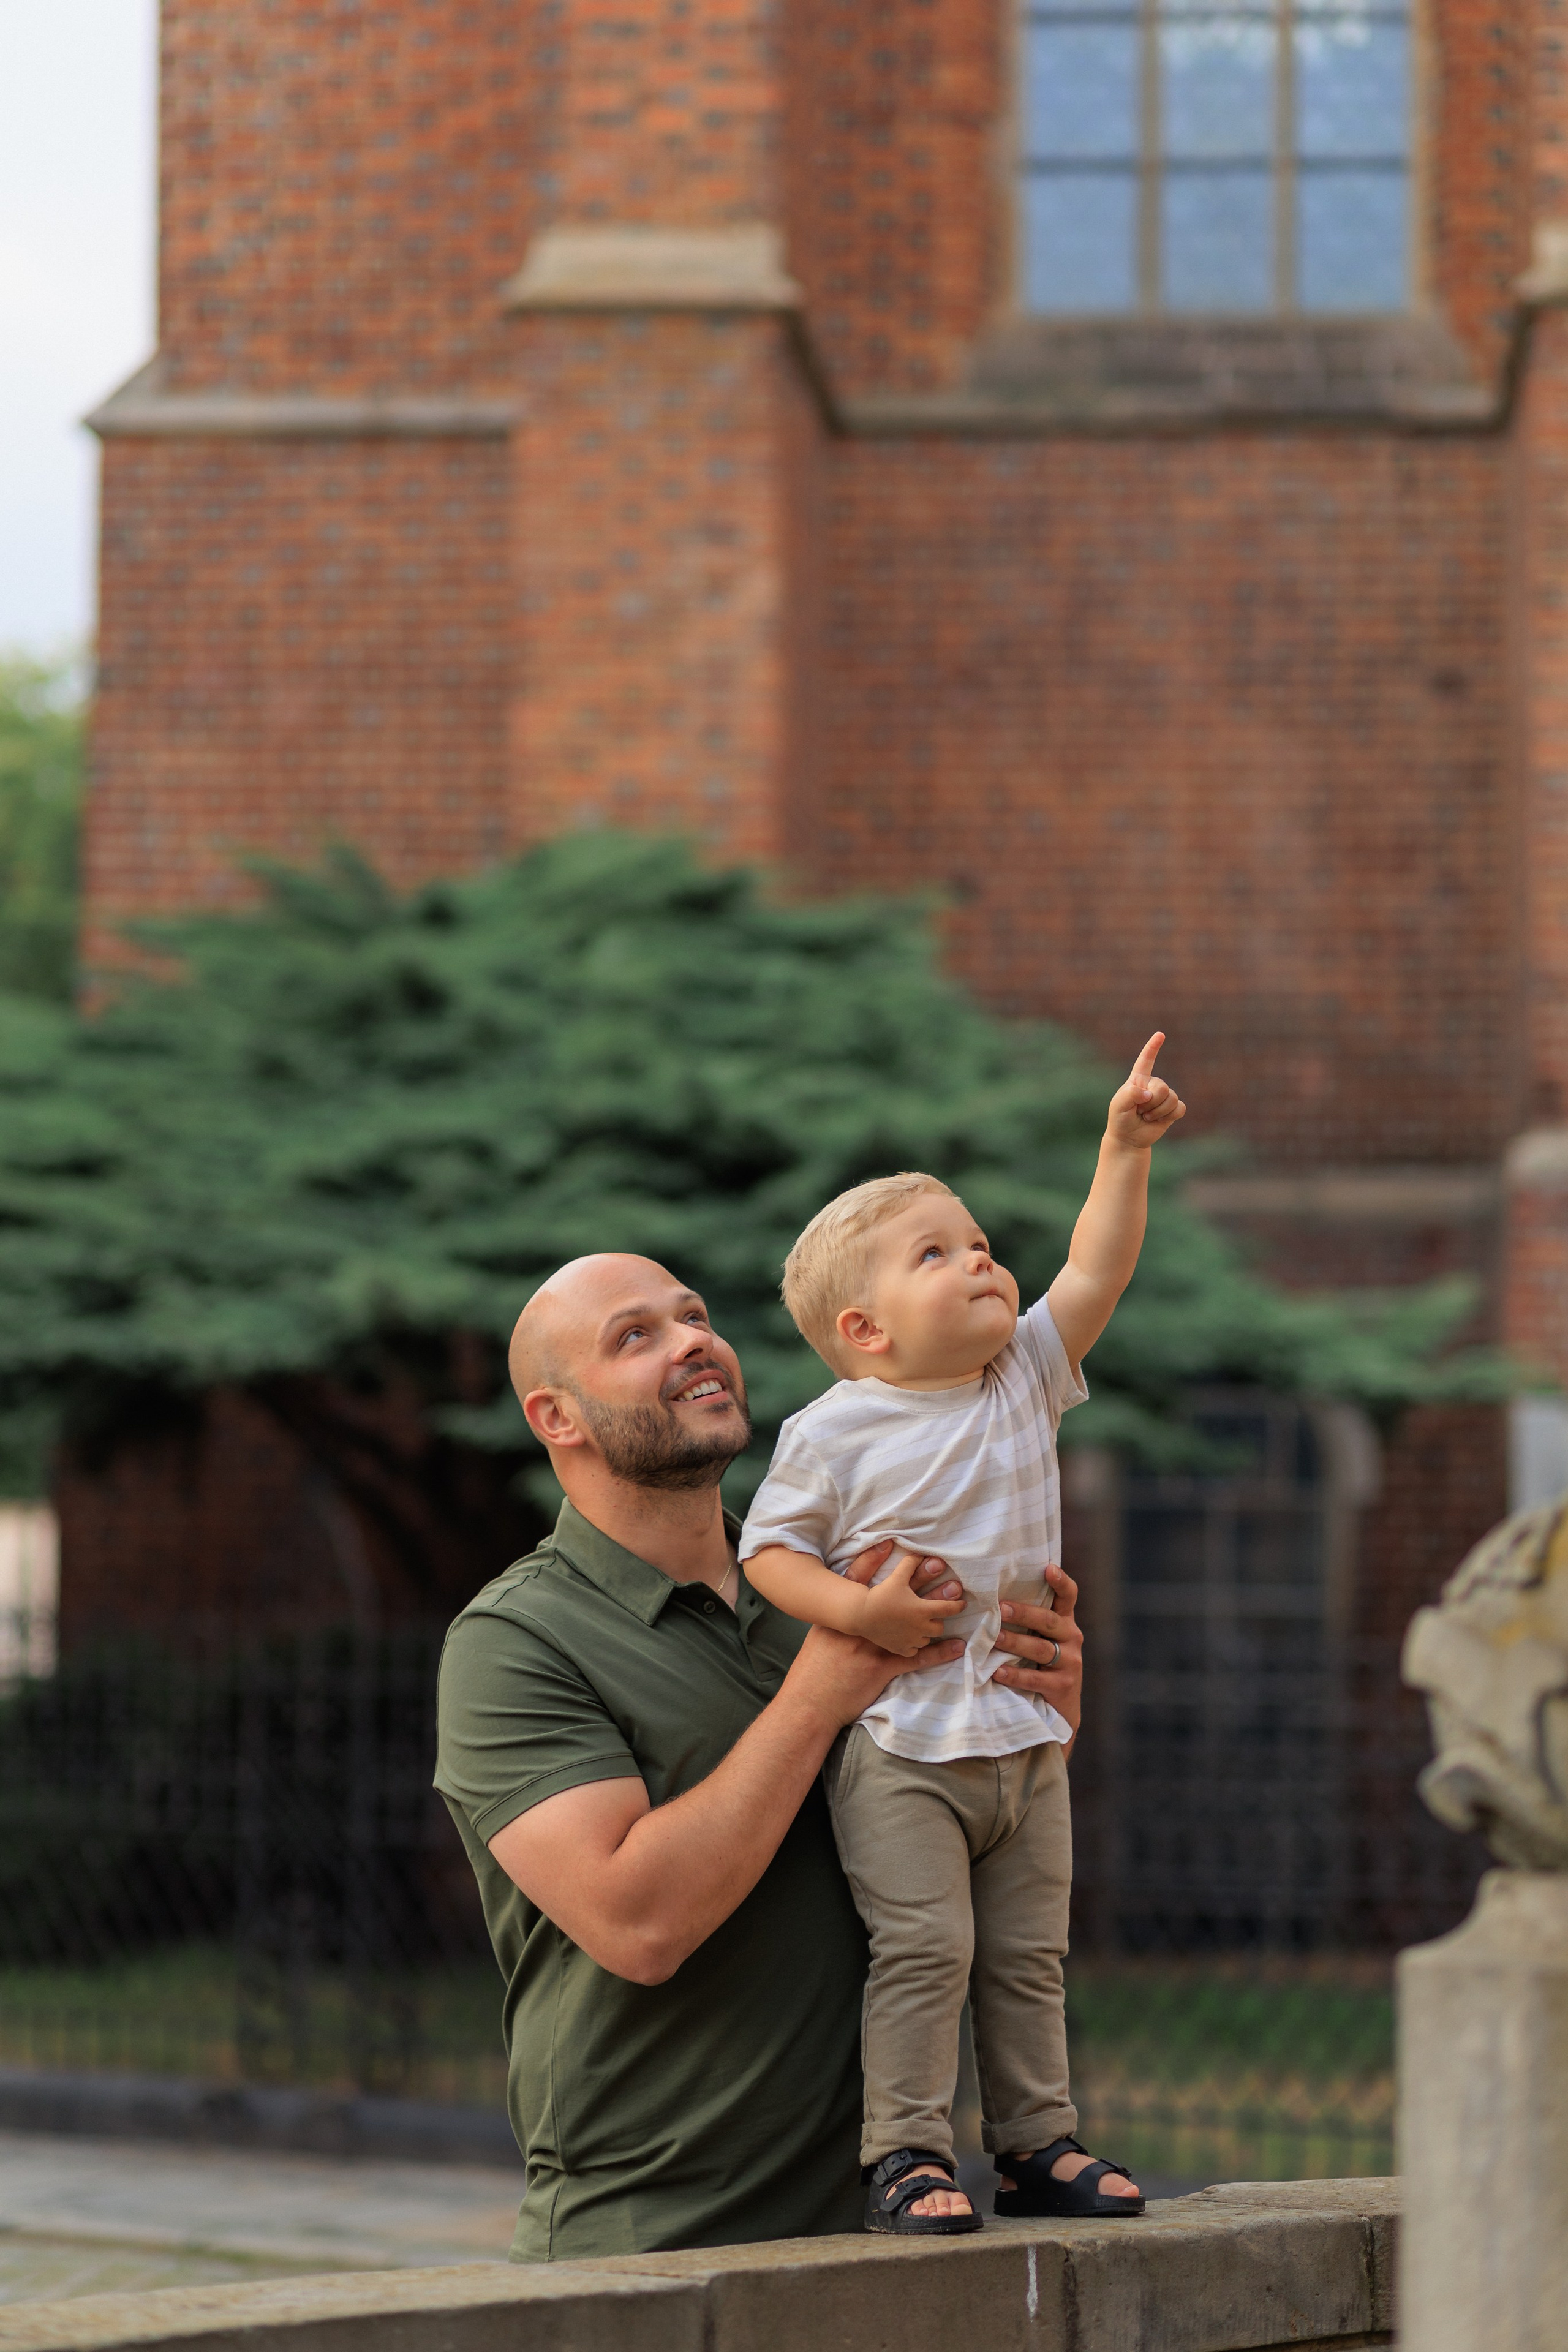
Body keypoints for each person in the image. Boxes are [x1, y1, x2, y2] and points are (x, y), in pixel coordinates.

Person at [433, 1251, 1082, 2260]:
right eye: (634, 1335)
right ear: (556, 1418)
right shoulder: (516, 1642)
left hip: (891, 2236)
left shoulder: (845, 1592)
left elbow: (960, 1846)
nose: (694, 1340)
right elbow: (636, 1923)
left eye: (694, 1317)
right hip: (651, 2249)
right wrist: (817, 1695)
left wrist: (1031, 1718)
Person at [741, 1033, 1186, 2234]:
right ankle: (903, 2154)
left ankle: (1037, 2143)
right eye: (934, 1255)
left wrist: (1120, 1148)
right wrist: (861, 1613)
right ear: (867, 1331)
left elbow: (1093, 1272)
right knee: (927, 1948)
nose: (981, 1263)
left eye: (981, 1245)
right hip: (898, 1744)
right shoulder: (832, 1432)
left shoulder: (1020, 1377)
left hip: (1023, 1737)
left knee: (1028, 1956)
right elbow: (769, 1555)